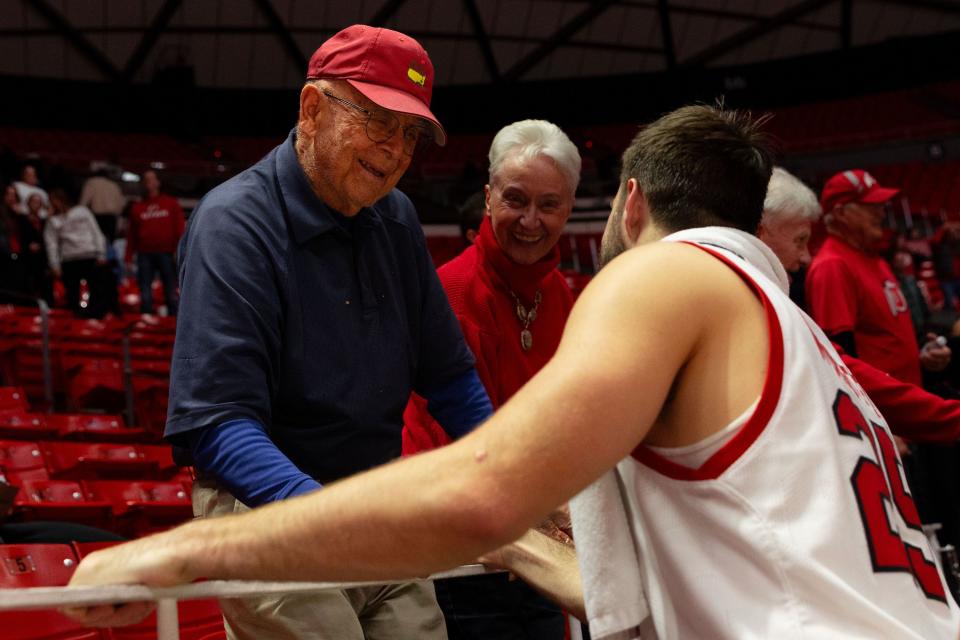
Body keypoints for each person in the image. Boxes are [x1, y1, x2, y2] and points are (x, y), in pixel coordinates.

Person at [66, 106, 960, 639]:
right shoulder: (799, 336)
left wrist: (179, 549)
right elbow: (660, 586)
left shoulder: (658, 273)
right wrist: (520, 536)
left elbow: (481, 485)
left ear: (627, 203)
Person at [135, 24, 490, 640]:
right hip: (262, 509)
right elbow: (218, 426)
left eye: (411, 134)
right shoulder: (233, 223)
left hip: (371, 499)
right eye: (379, 120)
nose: (396, 151)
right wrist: (331, 516)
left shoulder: (396, 217)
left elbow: (452, 379)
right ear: (312, 108)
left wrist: (510, 469)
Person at [404, 120, 579, 639]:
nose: (530, 220)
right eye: (515, 199)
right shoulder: (450, 292)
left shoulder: (561, 296)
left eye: (549, 205)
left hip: (538, 546)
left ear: (569, 208)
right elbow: (447, 443)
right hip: (465, 552)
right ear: (487, 198)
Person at [806, 169, 951, 386]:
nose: (882, 213)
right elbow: (842, 360)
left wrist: (923, 353)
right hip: (881, 412)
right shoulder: (832, 266)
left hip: (906, 396)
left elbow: (883, 338)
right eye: (871, 207)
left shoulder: (875, 260)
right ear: (841, 214)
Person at [124, 170, 184, 315]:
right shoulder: (137, 208)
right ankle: (146, 320)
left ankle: (173, 321)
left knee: (171, 289)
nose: (148, 183)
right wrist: (128, 257)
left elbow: (180, 229)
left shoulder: (171, 203)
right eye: (146, 180)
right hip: (144, 254)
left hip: (167, 253)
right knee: (144, 290)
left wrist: (180, 250)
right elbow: (131, 235)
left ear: (158, 182)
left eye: (151, 179)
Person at [43, 189, 107, 313]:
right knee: (72, 293)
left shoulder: (82, 211)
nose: (54, 204)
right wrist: (54, 264)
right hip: (69, 258)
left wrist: (101, 254)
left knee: (96, 290)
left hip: (89, 255)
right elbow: (51, 244)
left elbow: (96, 232)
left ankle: (96, 318)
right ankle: (77, 319)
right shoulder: (53, 221)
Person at [79, 168, 126, 243]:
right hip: (111, 218)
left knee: (96, 242)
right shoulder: (114, 185)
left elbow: (84, 201)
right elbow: (121, 204)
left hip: (97, 217)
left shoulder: (92, 182)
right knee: (110, 243)